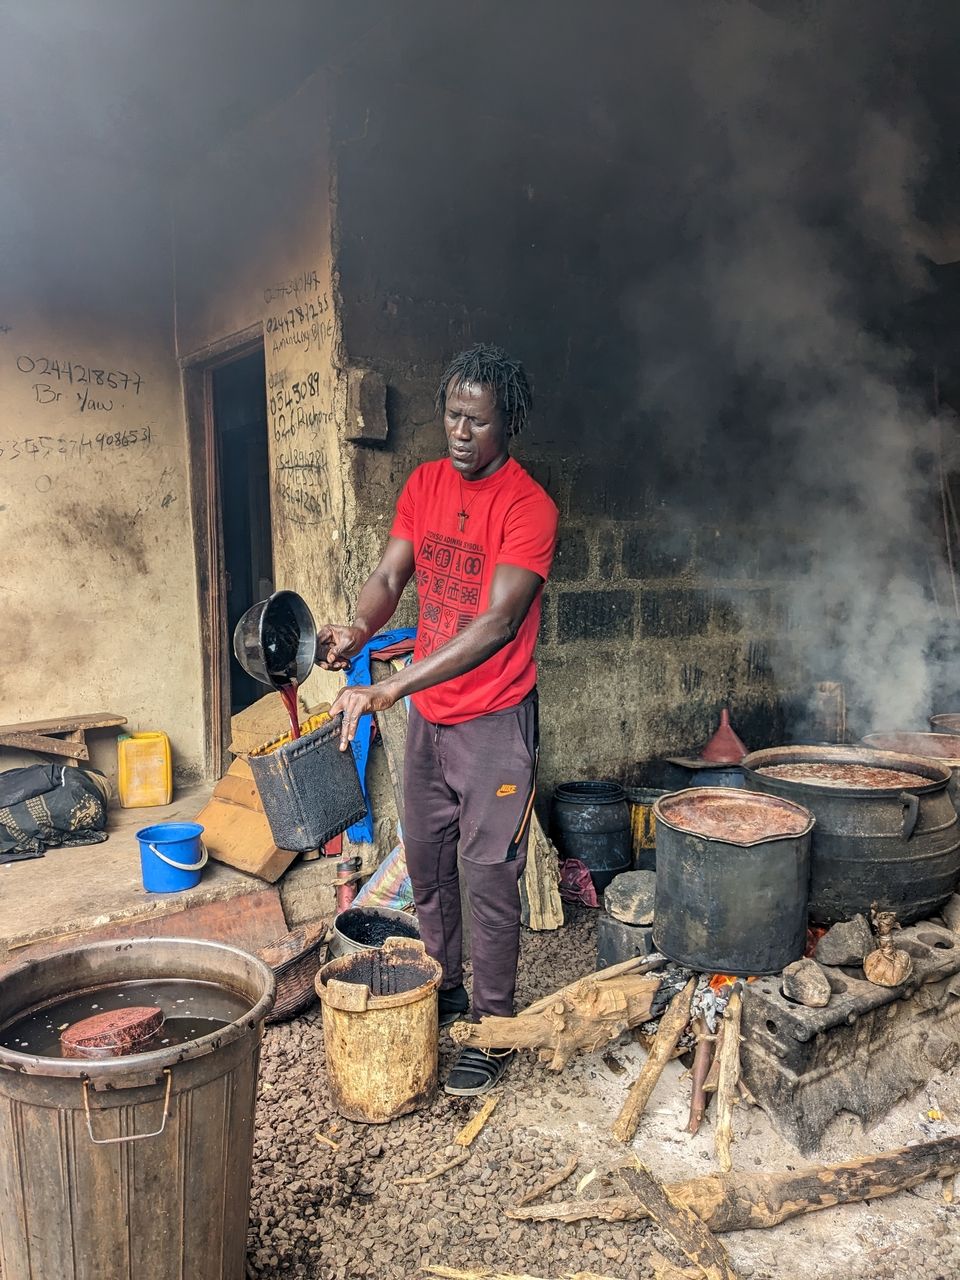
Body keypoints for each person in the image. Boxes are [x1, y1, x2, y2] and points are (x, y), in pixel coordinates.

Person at [317, 343, 558, 1096]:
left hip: (495, 724)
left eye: (477, 422)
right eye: (452, 415)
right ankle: (446, 985)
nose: (460, 432)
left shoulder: (529, 507)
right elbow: (391, 576)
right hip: (431, 720)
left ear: (507, 423)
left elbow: (494, 625)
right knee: (426, 864)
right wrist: (357, 628)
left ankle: (490, 1025)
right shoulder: (424, 485)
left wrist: (390, 690)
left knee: (489, 879)